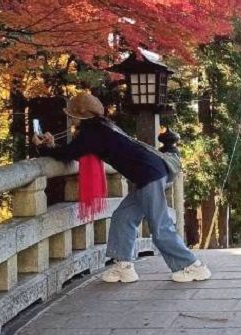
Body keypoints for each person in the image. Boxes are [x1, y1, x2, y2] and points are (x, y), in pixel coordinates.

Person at [34, 91, 211, 285]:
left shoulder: (91, 133)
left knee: (160, 226)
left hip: (148, 175)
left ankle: (192, 266)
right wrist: (52, 145)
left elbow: (67, 154)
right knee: (123, 217)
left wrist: (44, 147)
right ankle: (123, 267)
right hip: (150, 172)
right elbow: (73, 151)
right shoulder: (103, 126)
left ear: (79, 114)